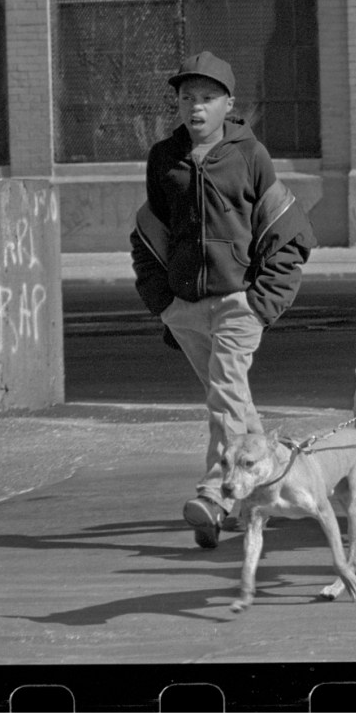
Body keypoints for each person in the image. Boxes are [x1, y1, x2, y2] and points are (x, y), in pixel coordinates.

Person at [131, 51, 315, 549]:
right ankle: (276, 486)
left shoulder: (250, 155)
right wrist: (162, 301)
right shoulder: (163, 160)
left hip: (239, 304)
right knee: (235, 407)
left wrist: (261, 302)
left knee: (225, 396)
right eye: (187, 98)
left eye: (208, 98)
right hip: (185, 306)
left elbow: (287, 230)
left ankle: (216, 496)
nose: (196, 107)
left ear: (229, 104)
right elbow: (149, 234)